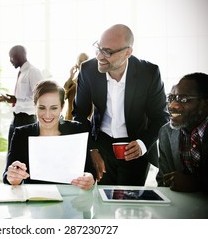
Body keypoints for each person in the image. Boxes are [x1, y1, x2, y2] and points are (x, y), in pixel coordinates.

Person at [72, 24, 169, 186]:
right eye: (99, 48)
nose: (100, 57)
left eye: (108, 52)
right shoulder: (88, 70)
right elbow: (80, 115)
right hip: (101, 146)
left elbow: (160, 117)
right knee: (102, 202)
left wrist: (142, 144)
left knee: (129, 205)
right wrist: (92, 149)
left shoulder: (149, 73)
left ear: (128, 52)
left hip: (135, 147)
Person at [3, 80, 96, 191]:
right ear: (35, 106)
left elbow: (90, 170)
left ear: (62, 107)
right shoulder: (21, 134)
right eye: (42, 108)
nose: (47, 115)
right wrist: (12, 177)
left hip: (71, 200)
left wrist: (90, 178)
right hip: (35, 200)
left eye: (54, 108)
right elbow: (7, 175)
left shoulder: (77, 130)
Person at [156, 73, 208, 193]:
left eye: (183, 99)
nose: (172, 106)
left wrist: (196, 185)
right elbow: (163, 181)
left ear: (205, 104)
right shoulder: (166, 133)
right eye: (171, 98)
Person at [0, 45, 43, 150]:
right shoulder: (22, 72)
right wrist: (8, 99)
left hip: (27, 120)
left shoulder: (33, 71)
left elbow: (39, 98)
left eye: (12, 57)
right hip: (16, 119)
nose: (10, 61)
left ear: (20, 55)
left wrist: (16, 100)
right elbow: (22, 97)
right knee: (12, 153)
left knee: (23, 154)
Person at [63, 52, 89, 120]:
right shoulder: (72, 83)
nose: (83, 63)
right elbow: (64, 96)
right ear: (77, 65)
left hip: (89, 121)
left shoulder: (93, 81)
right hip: (72, 120)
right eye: (80, 61)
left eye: (85, 60)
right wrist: (71, 77)